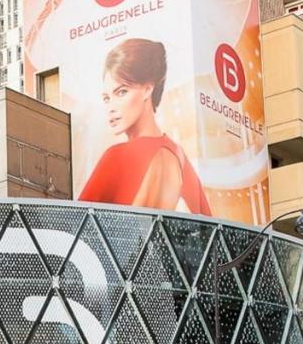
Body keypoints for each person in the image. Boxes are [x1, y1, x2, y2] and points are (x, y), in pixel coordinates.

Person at [78, 39, 213, 216]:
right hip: (160, 243)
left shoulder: (117, 156)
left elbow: (76, 225)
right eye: (106, 98)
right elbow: (208, 225)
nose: (111, 107)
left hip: (121, 243)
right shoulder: (179, 157)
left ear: (148, 90)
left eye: (121, 92)